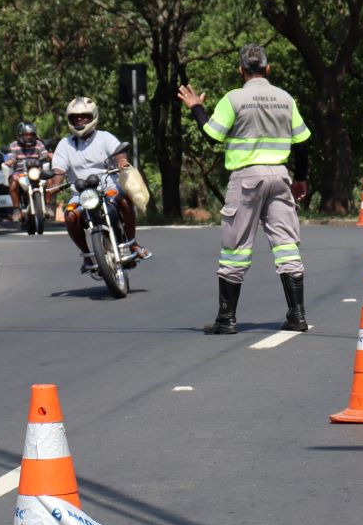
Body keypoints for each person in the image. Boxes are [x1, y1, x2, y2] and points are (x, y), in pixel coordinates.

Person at [177, 43, 311, 335]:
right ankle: (298, 314)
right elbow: (302, 143)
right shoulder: (285, 98)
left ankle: (226, 319)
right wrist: (300, 178)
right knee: (287, 244)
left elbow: (212, 135)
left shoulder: (234, 99)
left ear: (241, 70)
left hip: (247, 179)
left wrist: (196, 107)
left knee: (235, 249)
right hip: (280, 176)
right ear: (268, 68)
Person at [52, 97, 149, 270]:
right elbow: (58, 169)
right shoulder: (64, 144)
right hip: (81, 195)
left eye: (84, 116)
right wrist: (54, 184)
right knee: (70, 216)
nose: (79, 120)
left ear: (93, 117)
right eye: (75, 117)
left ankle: (132, 242)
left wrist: (121, 163)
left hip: (108, 188)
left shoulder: (105, 137)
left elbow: (119, 153)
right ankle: (87, 255)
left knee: (125, 201)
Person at [4, 121, 54, 222]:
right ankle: (16, 210)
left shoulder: (39, 144)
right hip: (21, 173)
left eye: (31, 134)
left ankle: (48, 206)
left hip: (37, 172)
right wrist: (10, 161)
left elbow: (43, 153)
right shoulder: (14, 145)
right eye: (26, 134)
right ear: (21, 135)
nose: (28, 137)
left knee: (49, 181)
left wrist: (48, 155)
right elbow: (12, 157)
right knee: (13, 183)